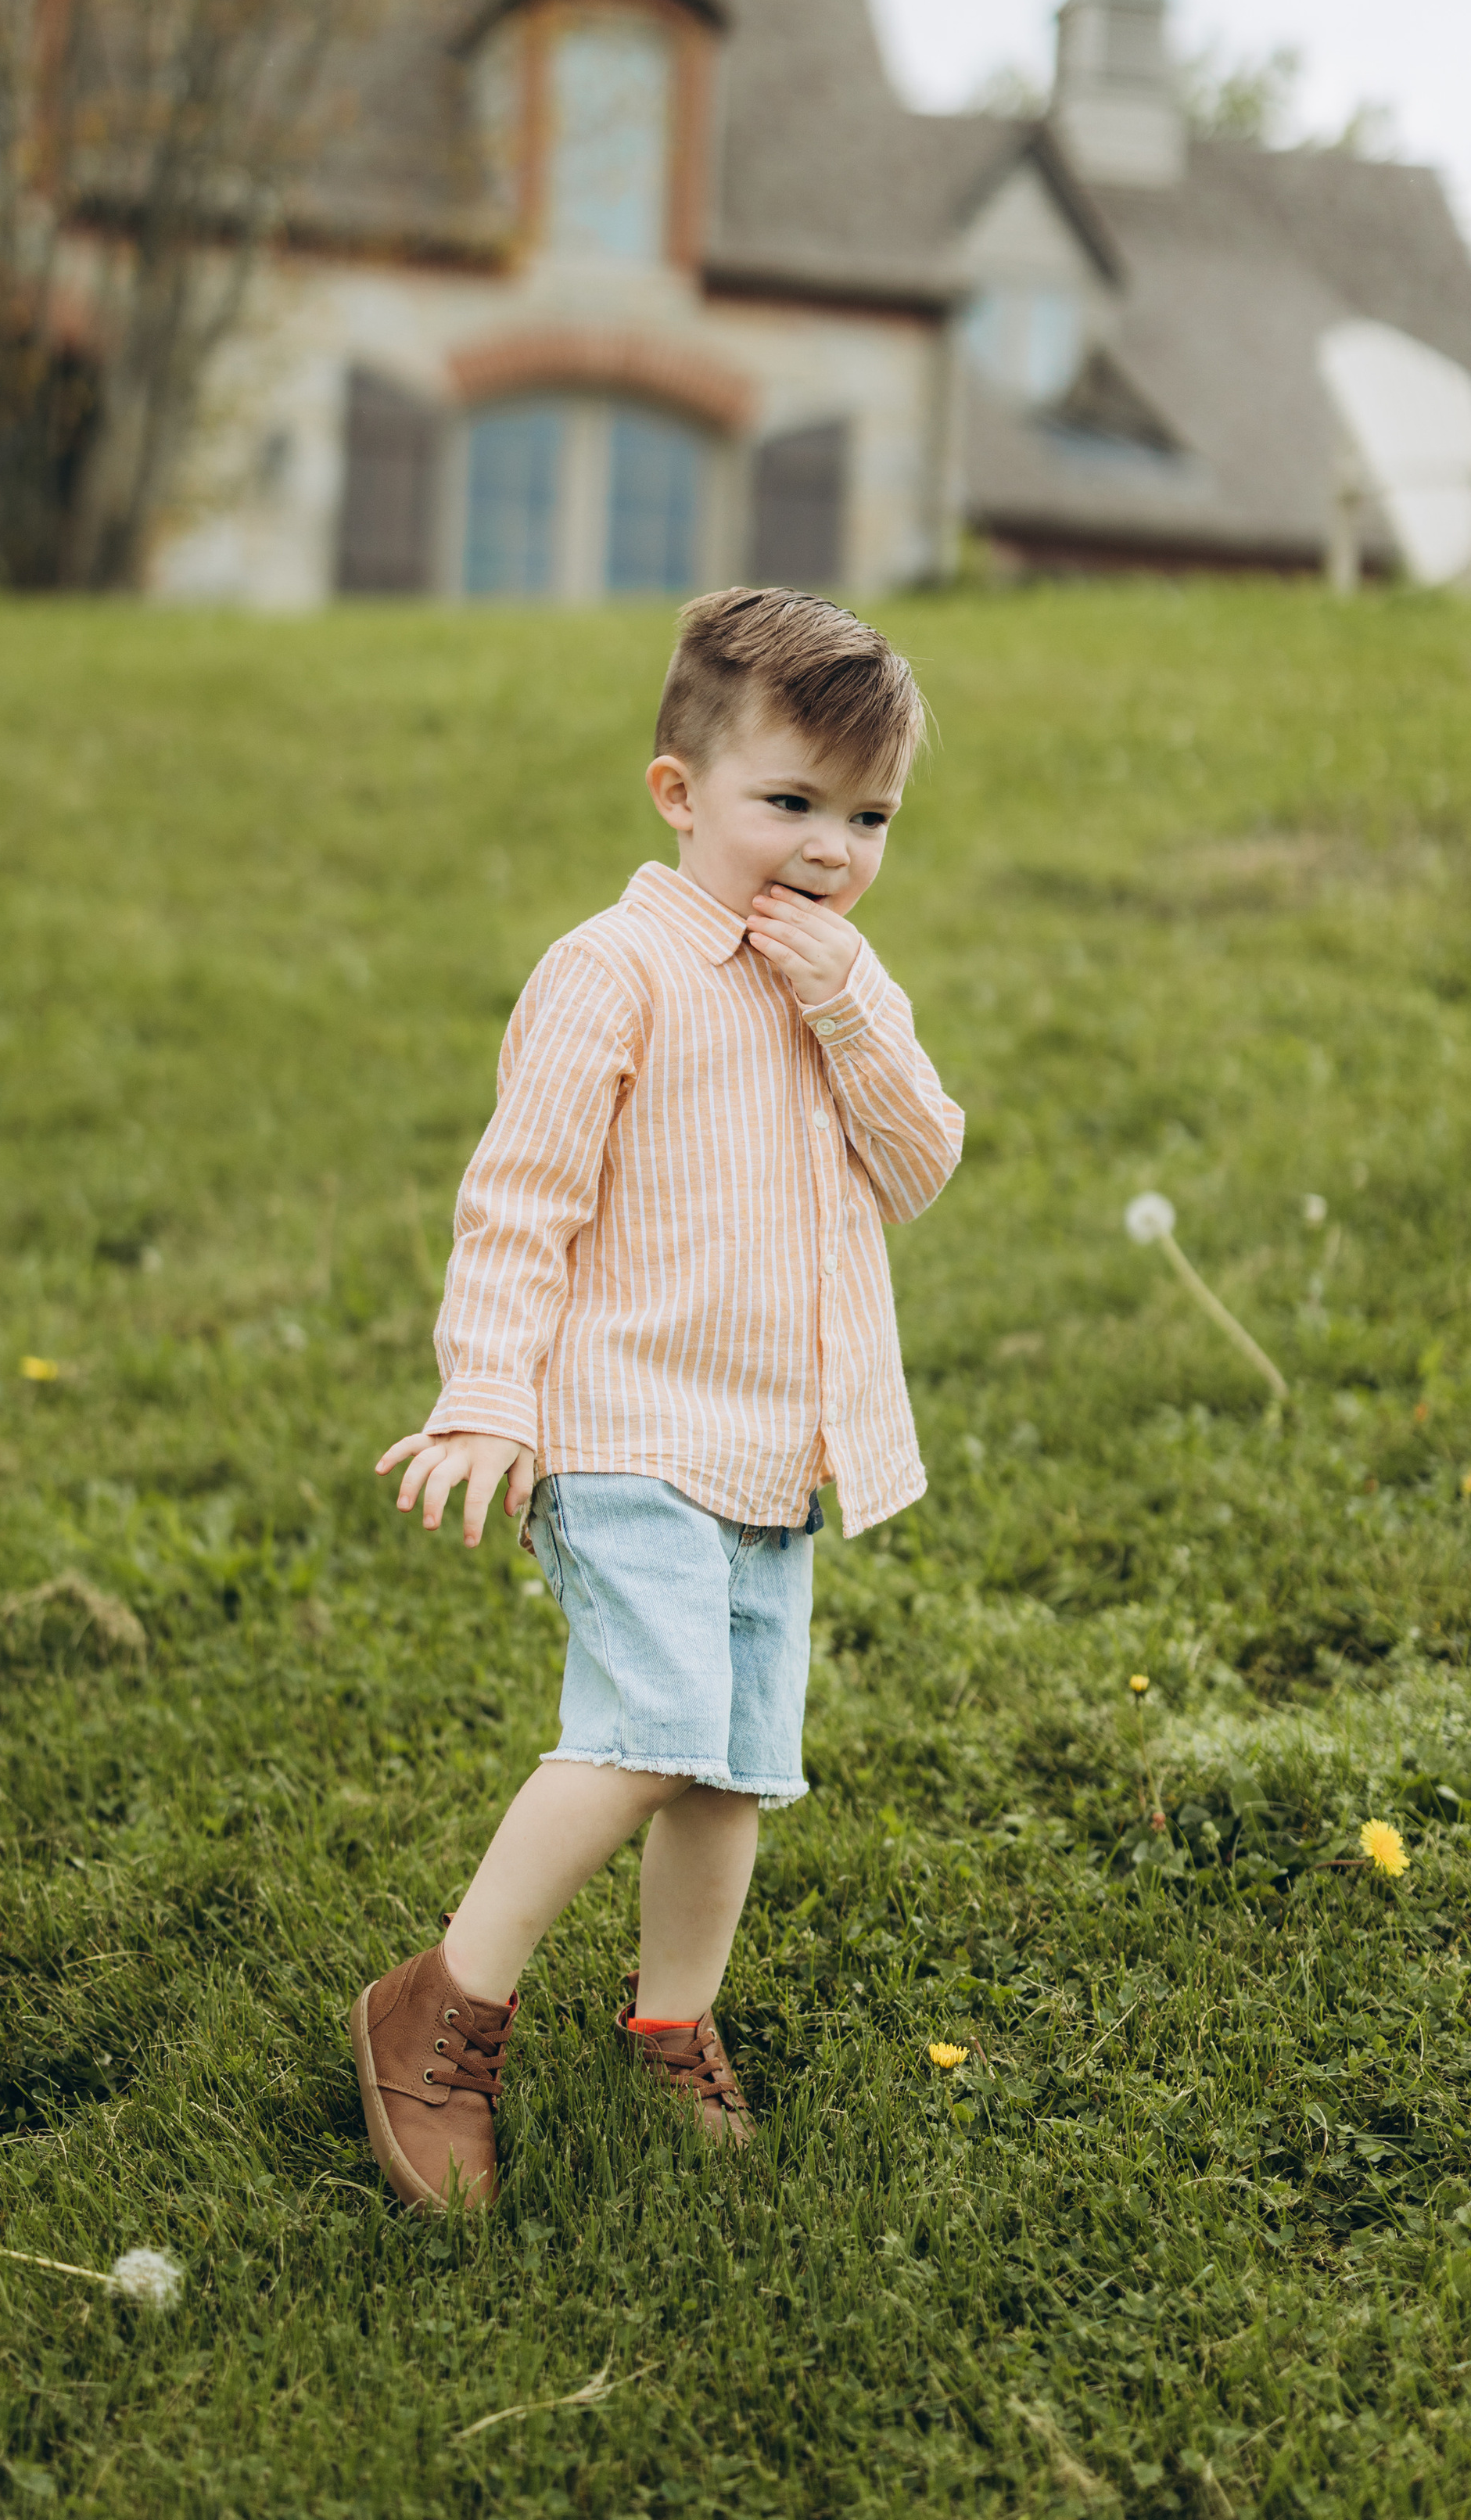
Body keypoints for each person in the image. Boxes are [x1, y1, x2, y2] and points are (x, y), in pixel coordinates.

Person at [353, 586, 963, 2209]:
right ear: (678, 793)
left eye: (866, 816)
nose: (829, 848)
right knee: (645, 1730)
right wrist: (487, 1395)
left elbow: (918, 1164)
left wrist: (844, 1001)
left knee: (731, 1770)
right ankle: (441, 2009)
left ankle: (668, 2023)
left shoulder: (844, 982)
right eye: (789, 805)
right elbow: (521, 1199)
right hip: (623, 1429)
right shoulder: (608, 971)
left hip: (775, 1450)